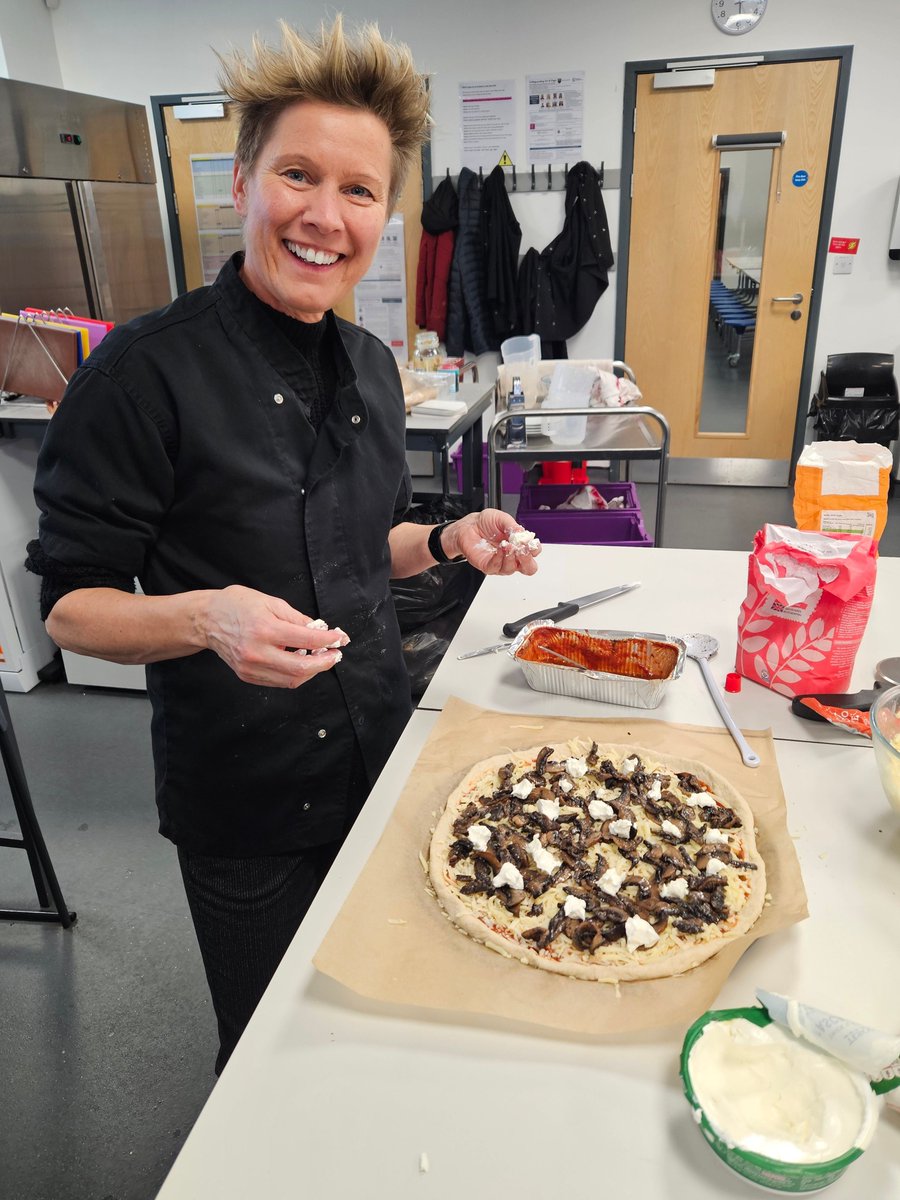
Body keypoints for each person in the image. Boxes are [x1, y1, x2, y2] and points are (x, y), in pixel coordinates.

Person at [25, 17, 540, 1074]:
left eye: (357, 191)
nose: (323, 215)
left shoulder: (367, 363)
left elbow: (363, 545)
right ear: (243, 182)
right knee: (271, 1055)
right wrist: (204, 616)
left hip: (381, 752)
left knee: (384, 1012)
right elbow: (70, 609)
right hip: (246, 803)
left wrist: (448, 538)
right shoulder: (140, 377)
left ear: (384, 215)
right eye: (297, 175)